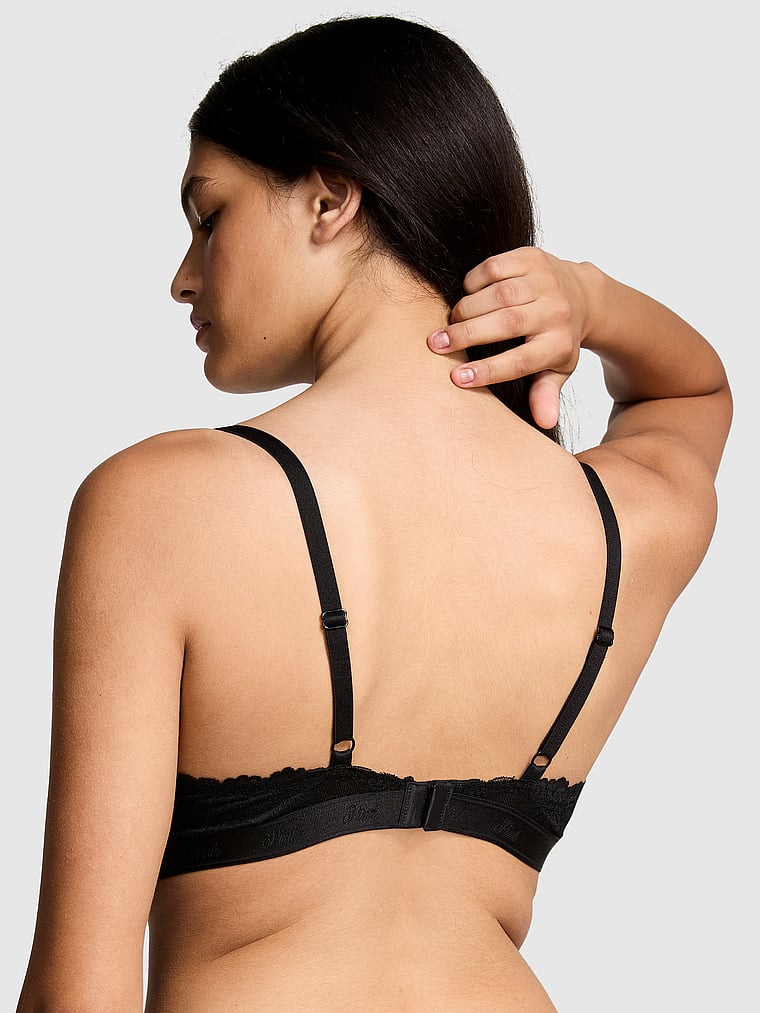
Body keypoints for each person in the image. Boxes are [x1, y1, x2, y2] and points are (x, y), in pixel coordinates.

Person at [16, 14, 731, 1012]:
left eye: (209, 215)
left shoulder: (160, 503)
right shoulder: (622, 525)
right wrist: (587, 297)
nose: (183, 275)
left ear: (329, 199)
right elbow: (695, 392)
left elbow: (77, 992)